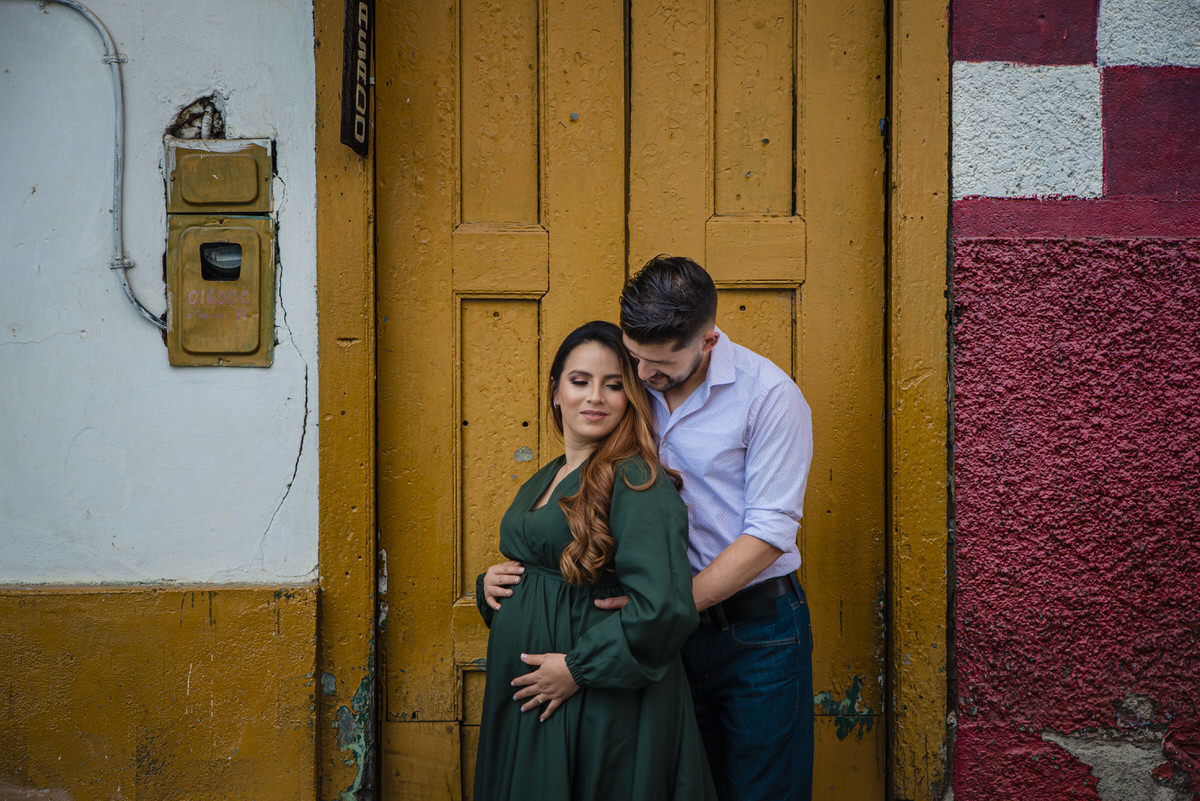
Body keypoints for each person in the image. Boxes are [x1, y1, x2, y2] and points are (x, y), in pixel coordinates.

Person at [486, 257, 815, 801]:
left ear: (707, 341)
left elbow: (770, 534)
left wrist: (669, 606)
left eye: (659, 364)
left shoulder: (769, 397)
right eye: (633, 358)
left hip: (753, 632)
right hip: (658, 636)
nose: (641, 376)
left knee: (760, 790)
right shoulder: (630, 392)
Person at [473, 320, 717, 801]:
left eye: (614, 385)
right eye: (580, 381)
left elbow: (664, 608)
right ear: (556, 390)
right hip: (538, 697)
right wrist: (491, 585)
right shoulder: (551, 474)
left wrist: (578, 668)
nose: (596, 398)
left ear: (631, 397)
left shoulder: (636, 479)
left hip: (595, 696)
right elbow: (549, 570)